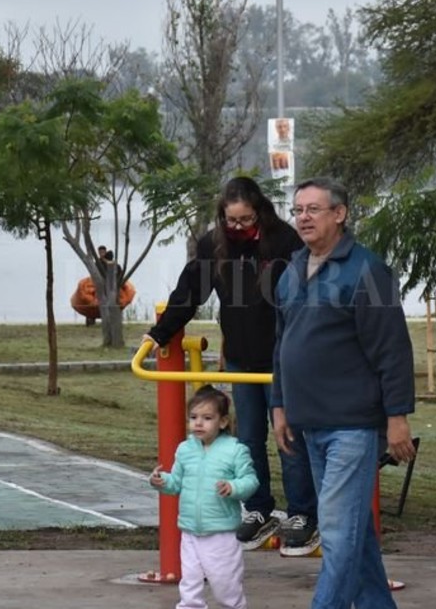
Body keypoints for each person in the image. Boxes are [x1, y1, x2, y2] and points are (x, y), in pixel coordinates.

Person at [145, 176, 319, 554]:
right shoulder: (213, 244)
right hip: (241, 356)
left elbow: (307, 298)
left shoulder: (284, 242)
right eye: (231, 221)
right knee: (248, 439)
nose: (238, 228)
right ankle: (258, 509)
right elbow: (189, 292)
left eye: (245, 220)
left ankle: (304, 512)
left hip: (281, 357)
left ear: (259, 211)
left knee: (287, 436)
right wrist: (160, 333)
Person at [272, 177, 416, 609]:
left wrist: (397, 417)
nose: (303, 217)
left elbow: (393, 349)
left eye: (313, 209)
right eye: (298, 210)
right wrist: (279, 405)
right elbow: (282, 344)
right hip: (306, 423)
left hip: (352, 426)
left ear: (340, 214)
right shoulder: (293, 268)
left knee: (336, 532)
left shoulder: (367, 270)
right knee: (354, 532)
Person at [149, 385, 258, 609]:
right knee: (189, 584)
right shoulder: (185, 449)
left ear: (223, 422)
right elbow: (176, 482)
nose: (198, 423)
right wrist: (162, 481)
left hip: (222, 534)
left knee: (225, 585)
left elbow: (251, 481)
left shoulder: (235, 450)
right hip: (190, 531)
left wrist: (233, 487)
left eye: (207, 418)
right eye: (193, 417)